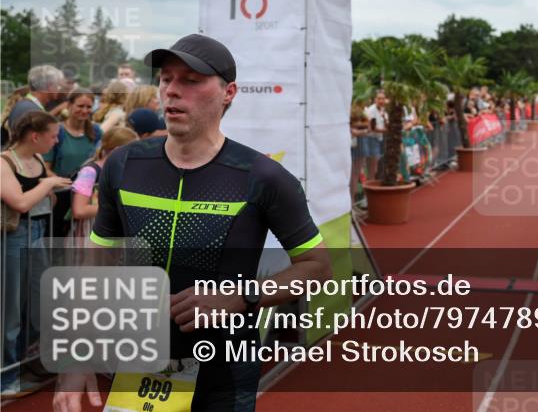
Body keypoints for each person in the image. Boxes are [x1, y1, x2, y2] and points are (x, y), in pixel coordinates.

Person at [54, 33, 331, 412]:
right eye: (166, 79)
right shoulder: (124, 164)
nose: (172, 90)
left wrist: (241, 296)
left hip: (224, 372)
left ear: (228, 93)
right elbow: (96, 264)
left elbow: (317, 267)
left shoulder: (264, 176)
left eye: (191, 80)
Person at [1, 111, 73, 398]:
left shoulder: (39, 160)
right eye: (53, 136)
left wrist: (54, 187)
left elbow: (50, 192)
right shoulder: (5, 162)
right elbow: (19, 202)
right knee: (10, 310)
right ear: (35, 136)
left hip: (38, 233)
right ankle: (6, 376)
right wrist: (47, 185)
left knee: (38, 302)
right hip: (13, 238)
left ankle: (27, 363)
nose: (56, 141)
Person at [43, 89, 103, 237]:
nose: (85, 110)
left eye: (89, 107)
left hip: (87, 196)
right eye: (80, 106)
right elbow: (45, 168)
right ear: (69, 105)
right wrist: (67, 184)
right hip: (61, 195)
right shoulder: (57, 132)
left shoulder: (96, 132)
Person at [69, 126, 139, 241]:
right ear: (117, 150)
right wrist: (117, 208)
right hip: (91, 235)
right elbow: (79, 210)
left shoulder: (124, 171)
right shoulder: (89, 172)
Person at [2, 65, 65, 146]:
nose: (59, 89)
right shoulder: (31, 111)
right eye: (58, 85)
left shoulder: (24, 104)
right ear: (49, 86)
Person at [363, 90, 388, 182]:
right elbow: (373, 128)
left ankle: (374, 183)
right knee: (372, 167)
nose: (381, 101)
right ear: (375, 99)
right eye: (379, 98)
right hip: (371, 139)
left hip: (380, 139)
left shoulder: (383, 110)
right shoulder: (371, 110)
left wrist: (385, 119)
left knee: (377, 166)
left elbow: (386, 124)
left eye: (383, 99)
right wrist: (387, 130)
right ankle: (370, 185)